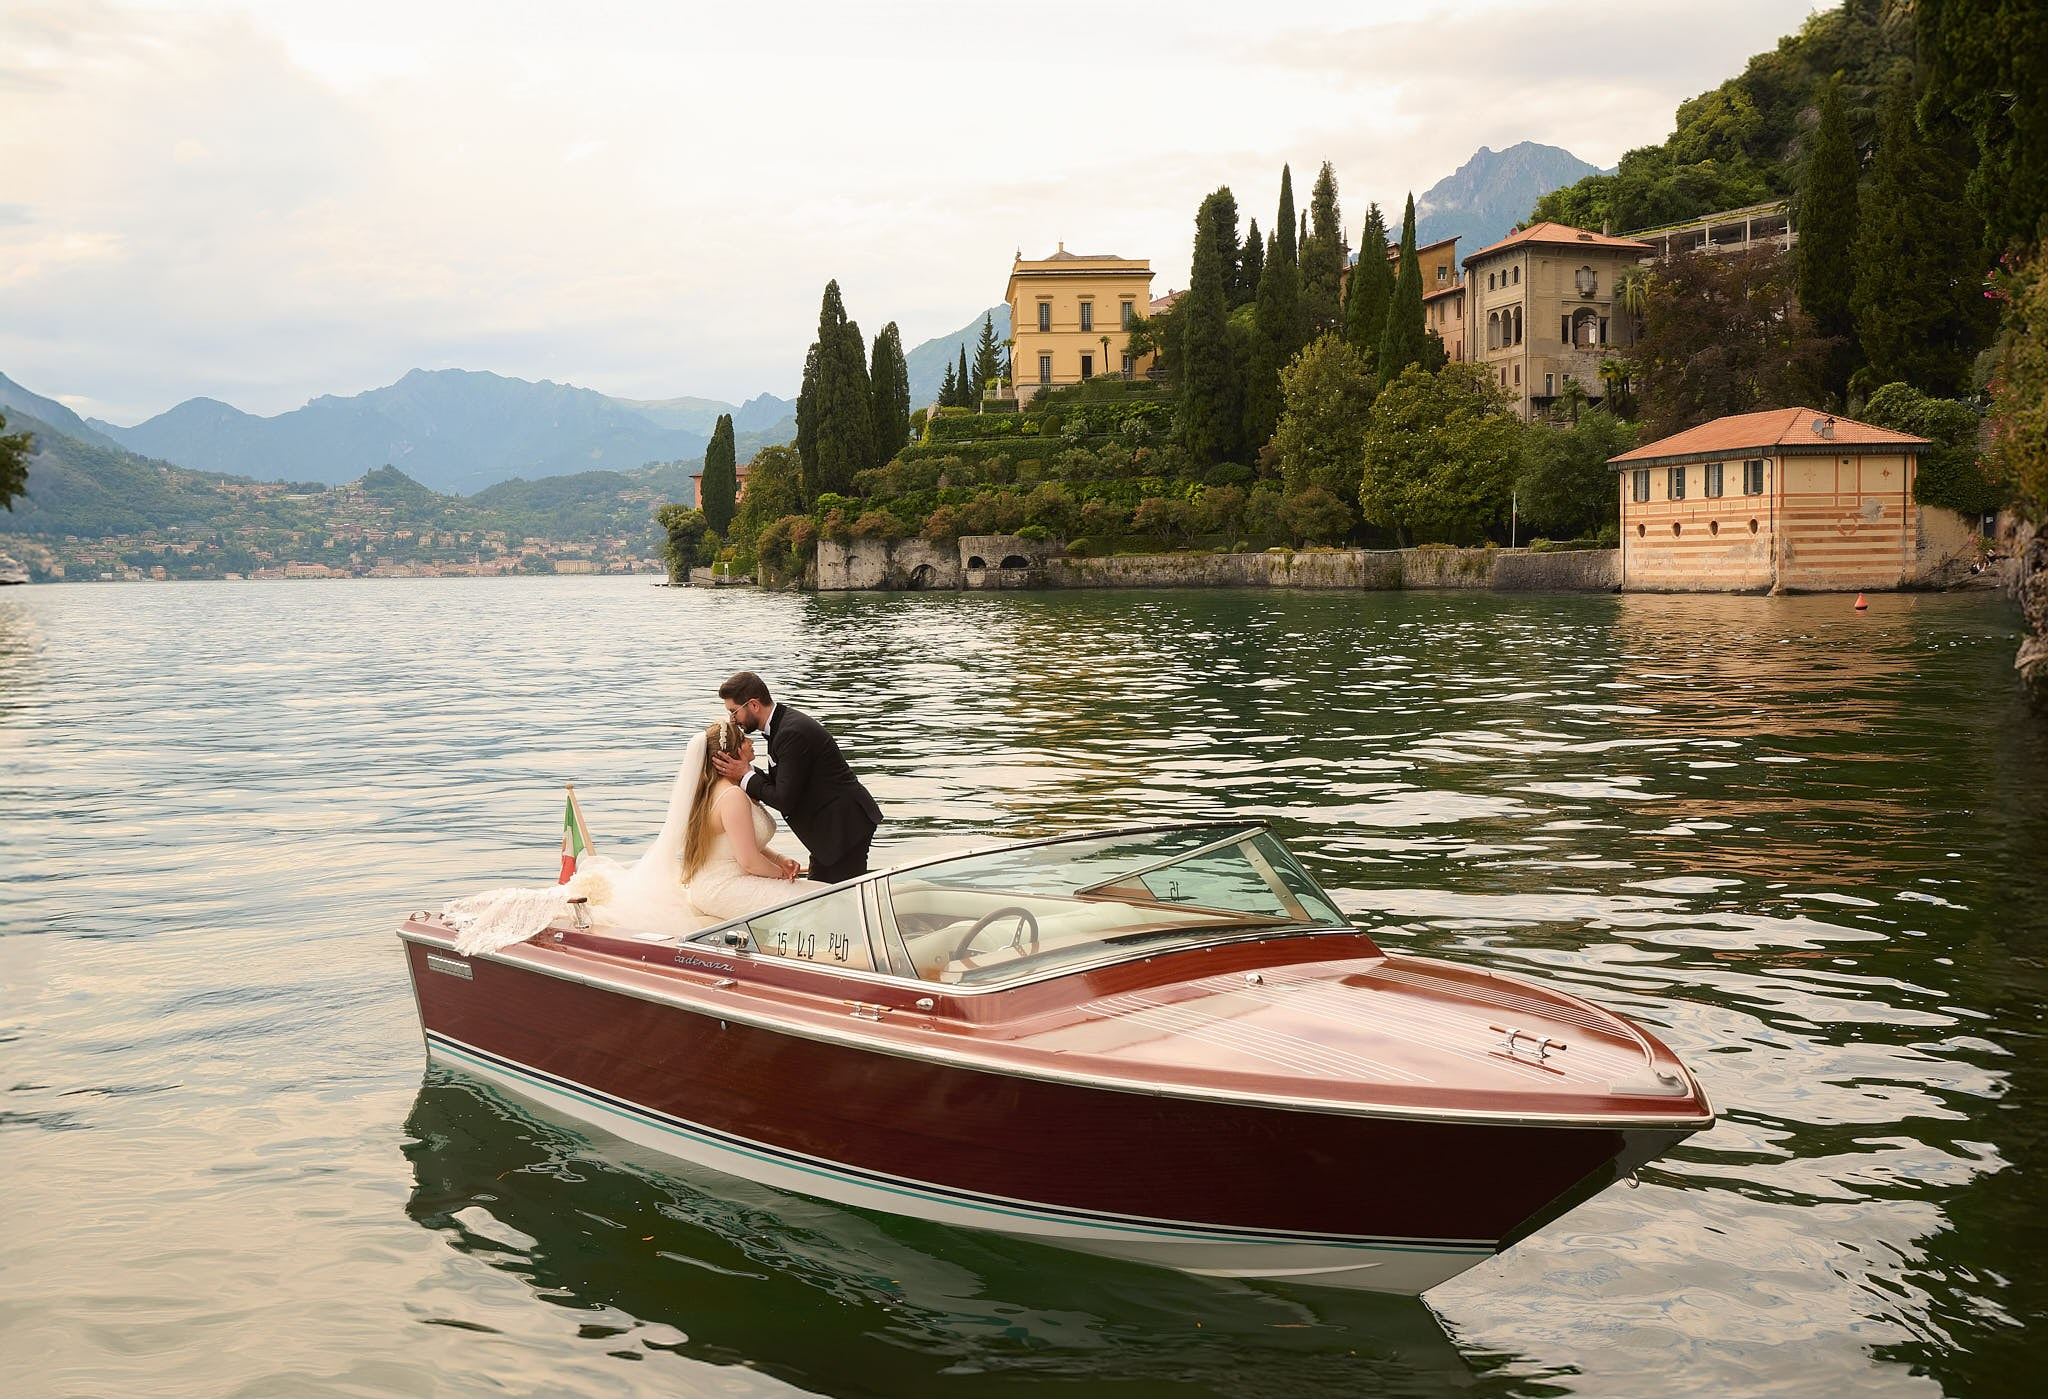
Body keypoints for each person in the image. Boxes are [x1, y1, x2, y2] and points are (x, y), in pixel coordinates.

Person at [711, 671, 881, 883]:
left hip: (843, 827)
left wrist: (745, 775)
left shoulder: (791, 733)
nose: (733, 720)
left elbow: (784, 799)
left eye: (734, 712)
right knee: (821, 891)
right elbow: (784, 783)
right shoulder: (782, 727)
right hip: (829, 830)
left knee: (841, 898)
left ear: (753, 705)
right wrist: (748, 772)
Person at [683, 718, 829, 920]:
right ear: (731, 753)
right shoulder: (731, 796)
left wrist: (779, 859)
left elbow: (740, 843)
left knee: (823, 893)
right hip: (723, 887)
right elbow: (749, 861)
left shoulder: (729, 790)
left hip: (733, 879)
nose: (751, 743)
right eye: (744, 740)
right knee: (817, 902)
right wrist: (781, 874)